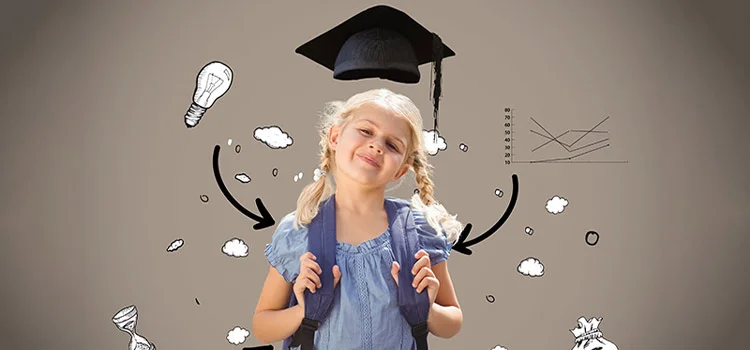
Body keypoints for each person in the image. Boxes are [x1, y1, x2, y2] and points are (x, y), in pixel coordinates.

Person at [252, 88, 463, 349]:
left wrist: (428, 309)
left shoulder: (418, 231)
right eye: (366, 131)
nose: (376, 145)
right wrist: (301, 312)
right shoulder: (300, 231)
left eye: (392, 145)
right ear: (335, 137)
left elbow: (453, 320)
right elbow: (262, 326)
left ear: (401, 170)